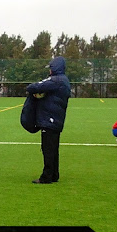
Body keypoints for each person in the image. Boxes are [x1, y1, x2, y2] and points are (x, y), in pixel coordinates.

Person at [26, 56, 71, 184]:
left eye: (51, 68)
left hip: (50, 119)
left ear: (55, 68)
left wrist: (33, 91)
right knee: (53, 149)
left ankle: (46, 177)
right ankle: (54, 175)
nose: (50, 70)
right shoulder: (63, 80)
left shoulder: (56, 80)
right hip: (55, 119)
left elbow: (33, 87)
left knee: (48, 149)